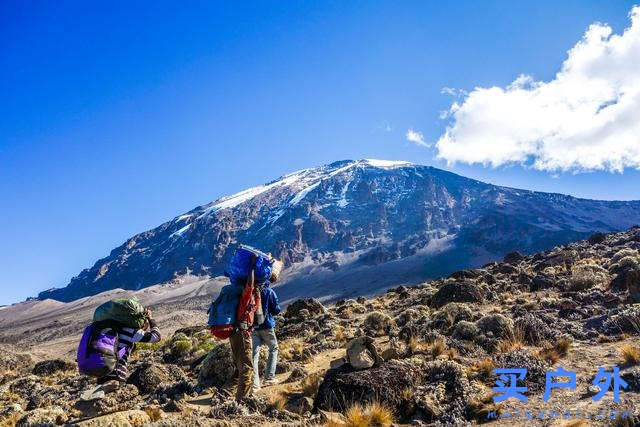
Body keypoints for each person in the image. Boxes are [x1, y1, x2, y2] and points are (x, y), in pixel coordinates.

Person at [96, 308, 161, 386]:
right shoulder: (129, 332)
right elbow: (156, 337)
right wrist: (150, 319)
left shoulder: (108, 331)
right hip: (116, 377)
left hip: (101, 377)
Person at [252, 280, 281, 390]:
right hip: (267, 326)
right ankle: (269, 377)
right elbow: (276, 309)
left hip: (253, 327)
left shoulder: (251, 291)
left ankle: (255, 384)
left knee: (254, 355)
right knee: (273, 348)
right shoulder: (269, 291)